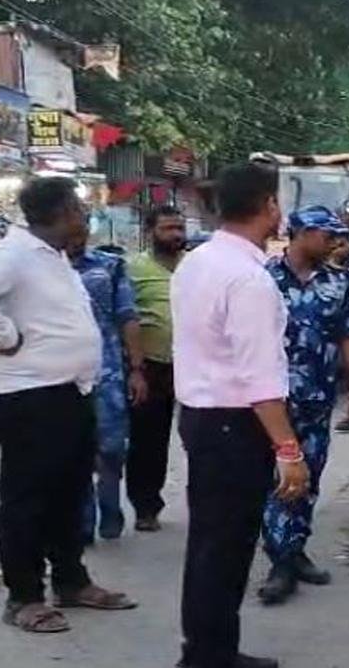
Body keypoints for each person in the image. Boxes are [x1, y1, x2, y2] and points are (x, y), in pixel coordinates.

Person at [0, 177, 135, 635]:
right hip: (29, 397)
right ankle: (24, 597)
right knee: (28, 501)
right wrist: (2, 335)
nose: (84, 215)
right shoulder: (14, 252)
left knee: (69, 494)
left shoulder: (53, 255)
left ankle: (71, 581)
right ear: (61, 211)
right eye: (79, 207)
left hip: (70, 391)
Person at [171, 165, 310, 668]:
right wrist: (289, 450)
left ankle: (209, 649)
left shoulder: (196, 262)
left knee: (211, 543)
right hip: (233, 423)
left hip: (204, 416)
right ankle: (209, 656)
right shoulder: (249, 279)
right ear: (270, 206)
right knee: (225, 546)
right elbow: (260, 377)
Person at [258, 206, 349, 605]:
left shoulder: (339, 282)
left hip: (318, 399)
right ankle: (280, 562)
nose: (335, 242)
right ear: (300, 233)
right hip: (270, 401)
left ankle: (295, 548)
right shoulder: (263, 278)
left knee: (310, 478)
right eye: (327, 234)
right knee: (278, 481)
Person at [67, 219, 148, 543]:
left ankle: (111, 510)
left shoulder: (110, 266)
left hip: (108, 372)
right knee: (75, 451)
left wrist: (137, 369)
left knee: (112, 449)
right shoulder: (45, 268)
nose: (76, 237)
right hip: (64, 373)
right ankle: (82, 523)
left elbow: (127, 316)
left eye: (80, 230)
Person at [126, 204, 187, 532]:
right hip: (152, 365)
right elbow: (125, 316)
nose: (176, 234)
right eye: (167, 228)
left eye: (179, 228)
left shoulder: (195, 265)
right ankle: (146, 506)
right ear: (150, 232)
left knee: (201, 436)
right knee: (149, 439)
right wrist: (134, 369)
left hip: (193, 363)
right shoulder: (133, 268)